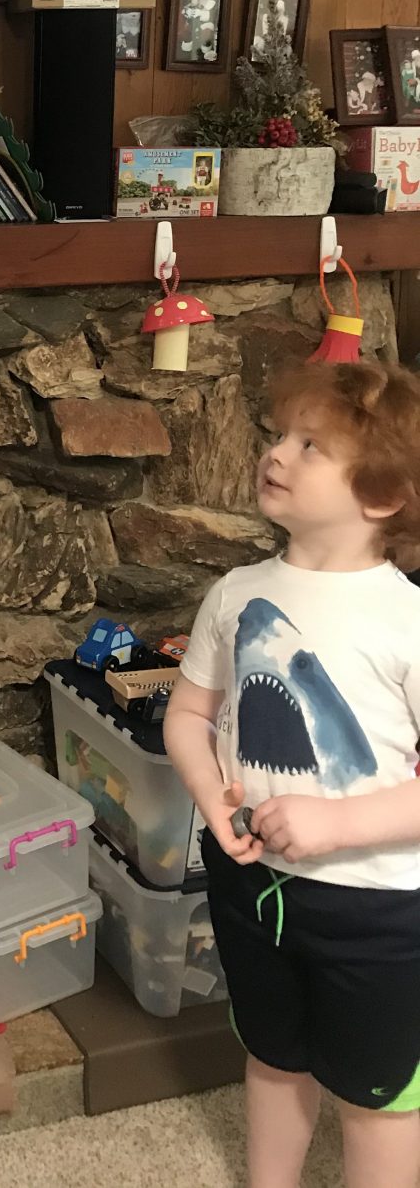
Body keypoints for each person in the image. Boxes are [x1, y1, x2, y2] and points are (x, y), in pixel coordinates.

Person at [165, 362, 420, 1188]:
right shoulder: (235, 593)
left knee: (377, 1096)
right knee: (273, 1056)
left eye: (311, 446)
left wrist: (335, 822)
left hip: (377, 911)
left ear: (382, 495)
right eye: (280, 436)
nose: (276, 452)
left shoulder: (408, 620)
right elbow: (188, 714)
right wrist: (211, 797)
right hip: (252, 887)